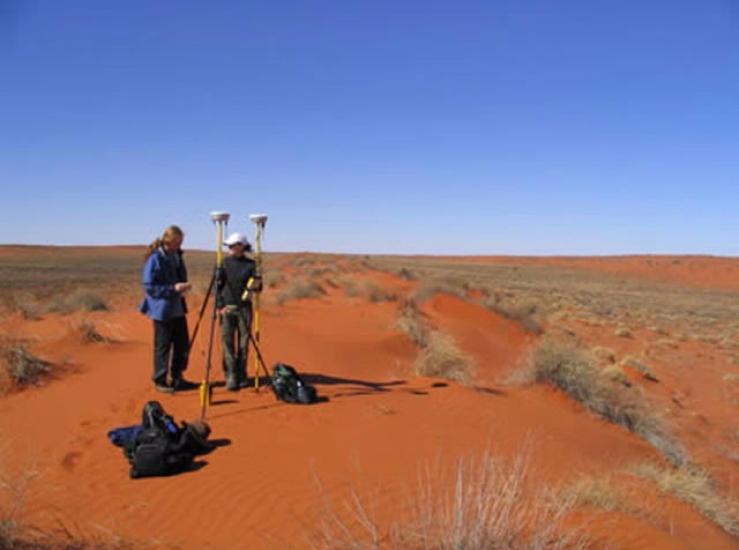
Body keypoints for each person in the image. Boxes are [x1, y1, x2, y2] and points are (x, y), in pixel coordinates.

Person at [139, 225, 196, 393]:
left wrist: (182, 287)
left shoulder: (177, 256)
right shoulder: (156, 259)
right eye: (178, 242)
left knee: (182, 344)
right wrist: (173, 288)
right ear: (169, 241)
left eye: (181, 242)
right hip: (162, 310)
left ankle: (178, 377)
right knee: (163, 346)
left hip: (178, 308)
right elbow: (149, 286)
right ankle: (160, 379)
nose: (180, 245)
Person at [217, 232, 262, 391]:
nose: (229, 248)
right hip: (227, 309)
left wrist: (257, 281)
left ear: (241, 246)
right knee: (227, 344)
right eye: (228, 245)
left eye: (232, 245)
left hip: (244, 309)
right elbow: (218, 287)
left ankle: (242, 374)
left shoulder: (251, 265)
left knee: (244, 344)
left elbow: (258, 289)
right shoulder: (223, 263)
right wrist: (219, 306)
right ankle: (230, 375)